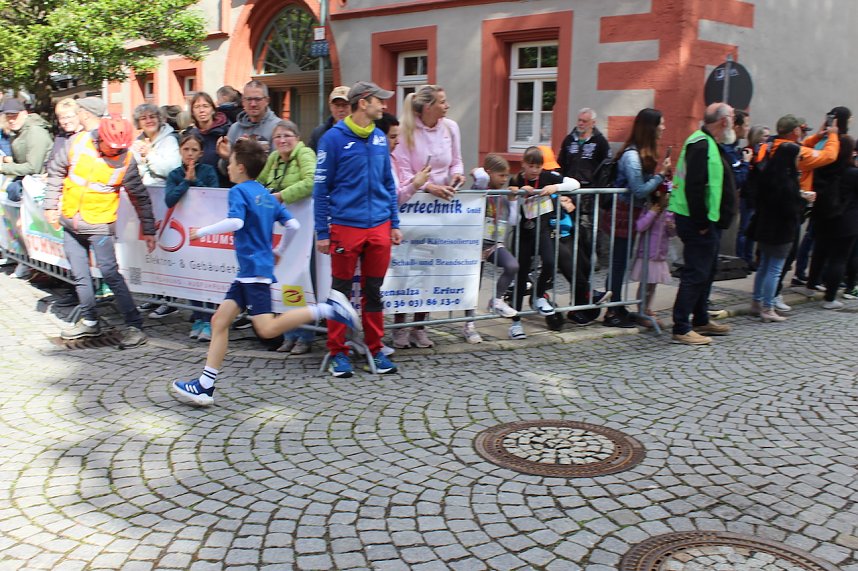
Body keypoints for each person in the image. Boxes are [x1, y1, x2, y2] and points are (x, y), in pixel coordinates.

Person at [172, 138, 360, 407]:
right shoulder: (264, 194)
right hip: (250, 272)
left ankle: (329, 310)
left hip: (253, 273)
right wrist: (280, 248)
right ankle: (205, 385)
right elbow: (293, 224)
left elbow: (236, 221)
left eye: (231, 162)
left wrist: (200, 231)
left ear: (239, 167)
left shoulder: (239, 191)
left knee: (267, 328)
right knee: (219, 321)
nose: (228, 166)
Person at [43, 117, 157, 349]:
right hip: (71, 222)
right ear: (101, 137)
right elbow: (56, 170)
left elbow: (140, 196)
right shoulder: (78, 142)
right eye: (111, 147)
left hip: (100, 225)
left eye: (120, 148)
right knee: (80, 276)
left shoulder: (126, 160)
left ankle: (135, 326)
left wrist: (148, 229)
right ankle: (90, 321)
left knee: (110, 274)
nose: (115, 152)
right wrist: (49, 205)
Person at [314, 81, 401, 377]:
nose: (384, 105)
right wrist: (322, 233)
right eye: (380, 100)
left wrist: (394, 223)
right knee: (340, 292)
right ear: (364, 102)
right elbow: (321, 188)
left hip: (379, 226)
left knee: (373, 291)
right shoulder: (332, 139)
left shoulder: (378, 137)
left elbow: (388, 184)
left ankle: (375, 349)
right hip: (345, 227)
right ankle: (338, 352)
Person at [390, 84, 465, 348]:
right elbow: (403, 172)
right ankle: (399, 325)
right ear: (427, 107)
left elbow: (456, 160)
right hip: (412, 208)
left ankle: (420, 325)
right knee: (404, 267)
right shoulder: (406, 130)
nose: (447, 106)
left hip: (440, 209)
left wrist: (458, 175)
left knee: (429, 269)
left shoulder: (450, 127)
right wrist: (428, 186)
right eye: (442, 102)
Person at [668, 103, 737, 345]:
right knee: (696, 273)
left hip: (708, 221)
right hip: (697, 221)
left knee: (706, 272)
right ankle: (681, 326)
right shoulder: (700, 143)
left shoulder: (710, 143)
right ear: (724, 121)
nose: (735, 122)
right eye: (732, 117)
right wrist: (702, 222)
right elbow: (694, 187)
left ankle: (700, 319)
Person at [602, 108, 671, 328]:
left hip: (630, 213)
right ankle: (611, 311)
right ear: (650, 127)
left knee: (621, 263)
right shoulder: (632, 156)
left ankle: (617, 305)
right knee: (618, 263)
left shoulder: (640, 152)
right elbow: (639, 189)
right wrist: (660, 175)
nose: (664, 127)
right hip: (622, 213)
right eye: (661, 123)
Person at [506, 146, 581, 339]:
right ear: (523, 165)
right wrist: (517, 192)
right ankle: (516, 324)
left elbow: (575, 184)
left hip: (544, 229)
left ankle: (539, 295)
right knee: (521, 276)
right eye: (531, 166)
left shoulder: (548, 176)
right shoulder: (517, 179)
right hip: (524, 232)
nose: (534, 170)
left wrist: (556, 188)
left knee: (549, 262)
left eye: (538, 166)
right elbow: (509, 198)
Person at [257, 120, 318, 355]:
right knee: (281, 278)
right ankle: (289, 334)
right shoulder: (274, 158)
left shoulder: (305, 153)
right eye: (278, 137)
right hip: (282, 229)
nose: (282, 140)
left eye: (287, 135)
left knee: (300, 278)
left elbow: (312, 182)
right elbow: (260, 181)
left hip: (303, 229)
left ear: (297, 137)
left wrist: (282, 196)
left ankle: (304, 335)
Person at [164, 132, 220, 340]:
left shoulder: (208, 171)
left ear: (201, 153)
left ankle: (209, 320)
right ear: (180, 151)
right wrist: (185, 182)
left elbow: (213, 197)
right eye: (186, 149)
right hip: (184, 231)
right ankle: (198, 316)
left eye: (194, 150)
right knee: (193, 276)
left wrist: (196, 181)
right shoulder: (174, 174)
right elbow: (169, 200)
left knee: (208, 276)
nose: (190, 154)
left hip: (204, 228)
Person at [748, 141, 807, 322]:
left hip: (764, 227)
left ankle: (757, 302)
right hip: (781, 230)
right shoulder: (788, 181)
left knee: (764, 265)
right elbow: (790, 209)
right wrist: (804, 201)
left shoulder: (769, 174)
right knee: (774, 269)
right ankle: (768, 307)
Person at [467, 154, 520, 341]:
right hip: (476, 246)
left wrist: (513, 200)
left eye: (507, 176)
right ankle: (469, 325)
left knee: (512, 266)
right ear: (490, 173)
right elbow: (479, 175)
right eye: (501, 175)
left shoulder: (503, 195)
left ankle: (497, 300)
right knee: (475, 286)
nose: (505, 180)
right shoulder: (480, 188)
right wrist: (482, 173)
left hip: (493, 244)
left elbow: (513, 221)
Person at [805, 107, 855, 308]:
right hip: (845, 218)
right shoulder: (851, 172)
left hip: (823, 212)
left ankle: (811, 285)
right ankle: (830, 298)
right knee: (839, 258)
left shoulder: (822, 166)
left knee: (820, 251)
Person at [630, 187, 675, 328]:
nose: (668, 198)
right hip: (647, 255)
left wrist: (672, 227)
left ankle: (647, 307)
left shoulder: (669, 213)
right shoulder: (648, 208)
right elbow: (640, 226)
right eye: (666, 195)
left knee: (652, 285)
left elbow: (672, 234)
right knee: (644, 284)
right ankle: (641, 309)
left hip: (659, 255)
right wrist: (652, 213)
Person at [0, 98, 53, 202]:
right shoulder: (17, 132)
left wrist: (3, 167)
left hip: (41, 183)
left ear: (24, 113)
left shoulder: (35, 131)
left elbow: (33, 168)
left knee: (13, 190)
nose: (11, 120)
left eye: (14, 116)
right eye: (8, 117)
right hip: (30, 181)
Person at [736, 122, 768, 269]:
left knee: (751, 231)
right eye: (765, 136)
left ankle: (748, 259)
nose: (767, 140)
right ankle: (740, 259)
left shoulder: (763, 153)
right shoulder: (747, 152)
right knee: (744, 228)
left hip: (757, 196)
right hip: (748, 195)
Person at [185, 91, 232, 187]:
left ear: (213, 110)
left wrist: (226, 157)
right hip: (198, 186)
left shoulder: (226, 131)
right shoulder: (191, 135)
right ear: (192, 112)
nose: (201, 110)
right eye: (197, 107)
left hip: (223, 186)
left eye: (205, 106)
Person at [130, 103, 181, 187]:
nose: (149, 121)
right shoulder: (137, 143)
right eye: (143, 118)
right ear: (138, 123)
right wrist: (143, 162)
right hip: (143, 194)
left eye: (152, 117)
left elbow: (173, 170)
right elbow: (132, 175)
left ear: (159, 119)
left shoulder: (169, 140)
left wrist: (149, 154)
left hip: (166, 192)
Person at [308, 86, 351, 152]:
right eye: (337, 105)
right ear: (330, 107)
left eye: (345, 105)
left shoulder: (362, 131)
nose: (341, 109)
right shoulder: (319, 133)